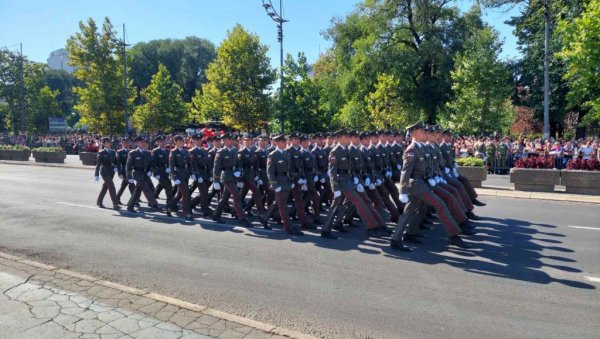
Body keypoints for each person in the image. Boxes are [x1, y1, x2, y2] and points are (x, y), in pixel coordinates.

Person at [391, 122, 471, 250]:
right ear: (414, 133)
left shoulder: (421, 148)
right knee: (440, 205)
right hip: (417, 185)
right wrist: (403, 190)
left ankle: (400, 237)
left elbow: (427, 167)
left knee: (409, 212)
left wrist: (434, 177)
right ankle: (454, 235)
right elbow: (405, 172)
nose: (425, 133)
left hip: (424, 183)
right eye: (422, 131)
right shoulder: (411, 149)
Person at [262, 134, 301, 234]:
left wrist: (291, 181)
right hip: (279, 183)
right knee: (283, 206)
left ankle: (264, 218)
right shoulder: (272, 155)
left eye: (285, 141)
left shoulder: (286, 153)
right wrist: (275, 185)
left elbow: (290, 169)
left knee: (278, 203)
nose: (285, 143)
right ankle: (289, 227)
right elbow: (270, 172)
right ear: (278, 142)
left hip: (286, 182)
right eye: (283, 142)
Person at [211, 133, 251, 228]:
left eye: (231, 139)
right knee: (237, 196)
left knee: (225, 198)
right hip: (226, 176)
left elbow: (238, 164)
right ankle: (242, 218)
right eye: (229, 139)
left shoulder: (234, 151)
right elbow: (216, 167)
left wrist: (238, 171)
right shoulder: (221, 152)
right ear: (224, 141)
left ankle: (216, 215)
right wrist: (216, 181)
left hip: (233, 176)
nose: (231, 141)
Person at [126, 137, 160, 213]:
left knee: (138, 191)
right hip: (137, 173)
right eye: (141, 142)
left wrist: (150, 171)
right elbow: (128, 166)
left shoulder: (148, 153)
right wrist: (129, 176)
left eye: (144, 142)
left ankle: (130, 206)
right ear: (137, 143)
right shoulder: (132, 153)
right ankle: (154, 205)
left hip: (145, 173)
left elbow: (151, 164)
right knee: (145, 188)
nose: (143, 143)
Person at [168, 135, 193, 220]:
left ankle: (169, 207)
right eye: (180, 141)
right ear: (176, 142)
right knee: (186, 194)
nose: (182, 142)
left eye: (182, 141)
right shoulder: (173, 152)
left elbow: (189, 164)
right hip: (178, 175)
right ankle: (187, 213)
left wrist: (191, 173)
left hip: (185, 175)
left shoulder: (186, 152)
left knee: (179, 195)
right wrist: (175, 178)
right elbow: (171, 167)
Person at [94, 137, 120, 210]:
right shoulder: (101, 152)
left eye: (109, 142)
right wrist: (96, 174)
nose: (109, 143)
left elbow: (116, 161)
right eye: (107, 142)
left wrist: (116, 167)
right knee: (111, 186)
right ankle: (115, 204)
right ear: (104, 143)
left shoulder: (113, 152)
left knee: (105, 187)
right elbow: (98, 164)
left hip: (111, 172)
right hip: (104, 171)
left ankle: (99, 201)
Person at [151, 135, 174, 209]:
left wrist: (169, 168)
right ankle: (169, 205)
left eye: (163, 141)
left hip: (166, 172)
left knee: (160, 186)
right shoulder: (155, 151)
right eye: (160, 141)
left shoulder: (168, 151)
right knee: (168, 187)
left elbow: (170, 162)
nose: (163, 143)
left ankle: (151, 200)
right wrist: (155, 173)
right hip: (159, 172)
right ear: (157, 142)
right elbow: (153, 164)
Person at [116, 138, 135, 204]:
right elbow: (118, 164)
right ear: (122, 143)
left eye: (127, 142)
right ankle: (134, 200)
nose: (126, 144)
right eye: (124, 143)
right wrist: (119, 173)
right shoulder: (119, 152)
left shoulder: (131, 151)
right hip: (124, 171)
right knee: (132, 185)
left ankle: (117, 198)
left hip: (130, 171)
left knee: (124, 185)